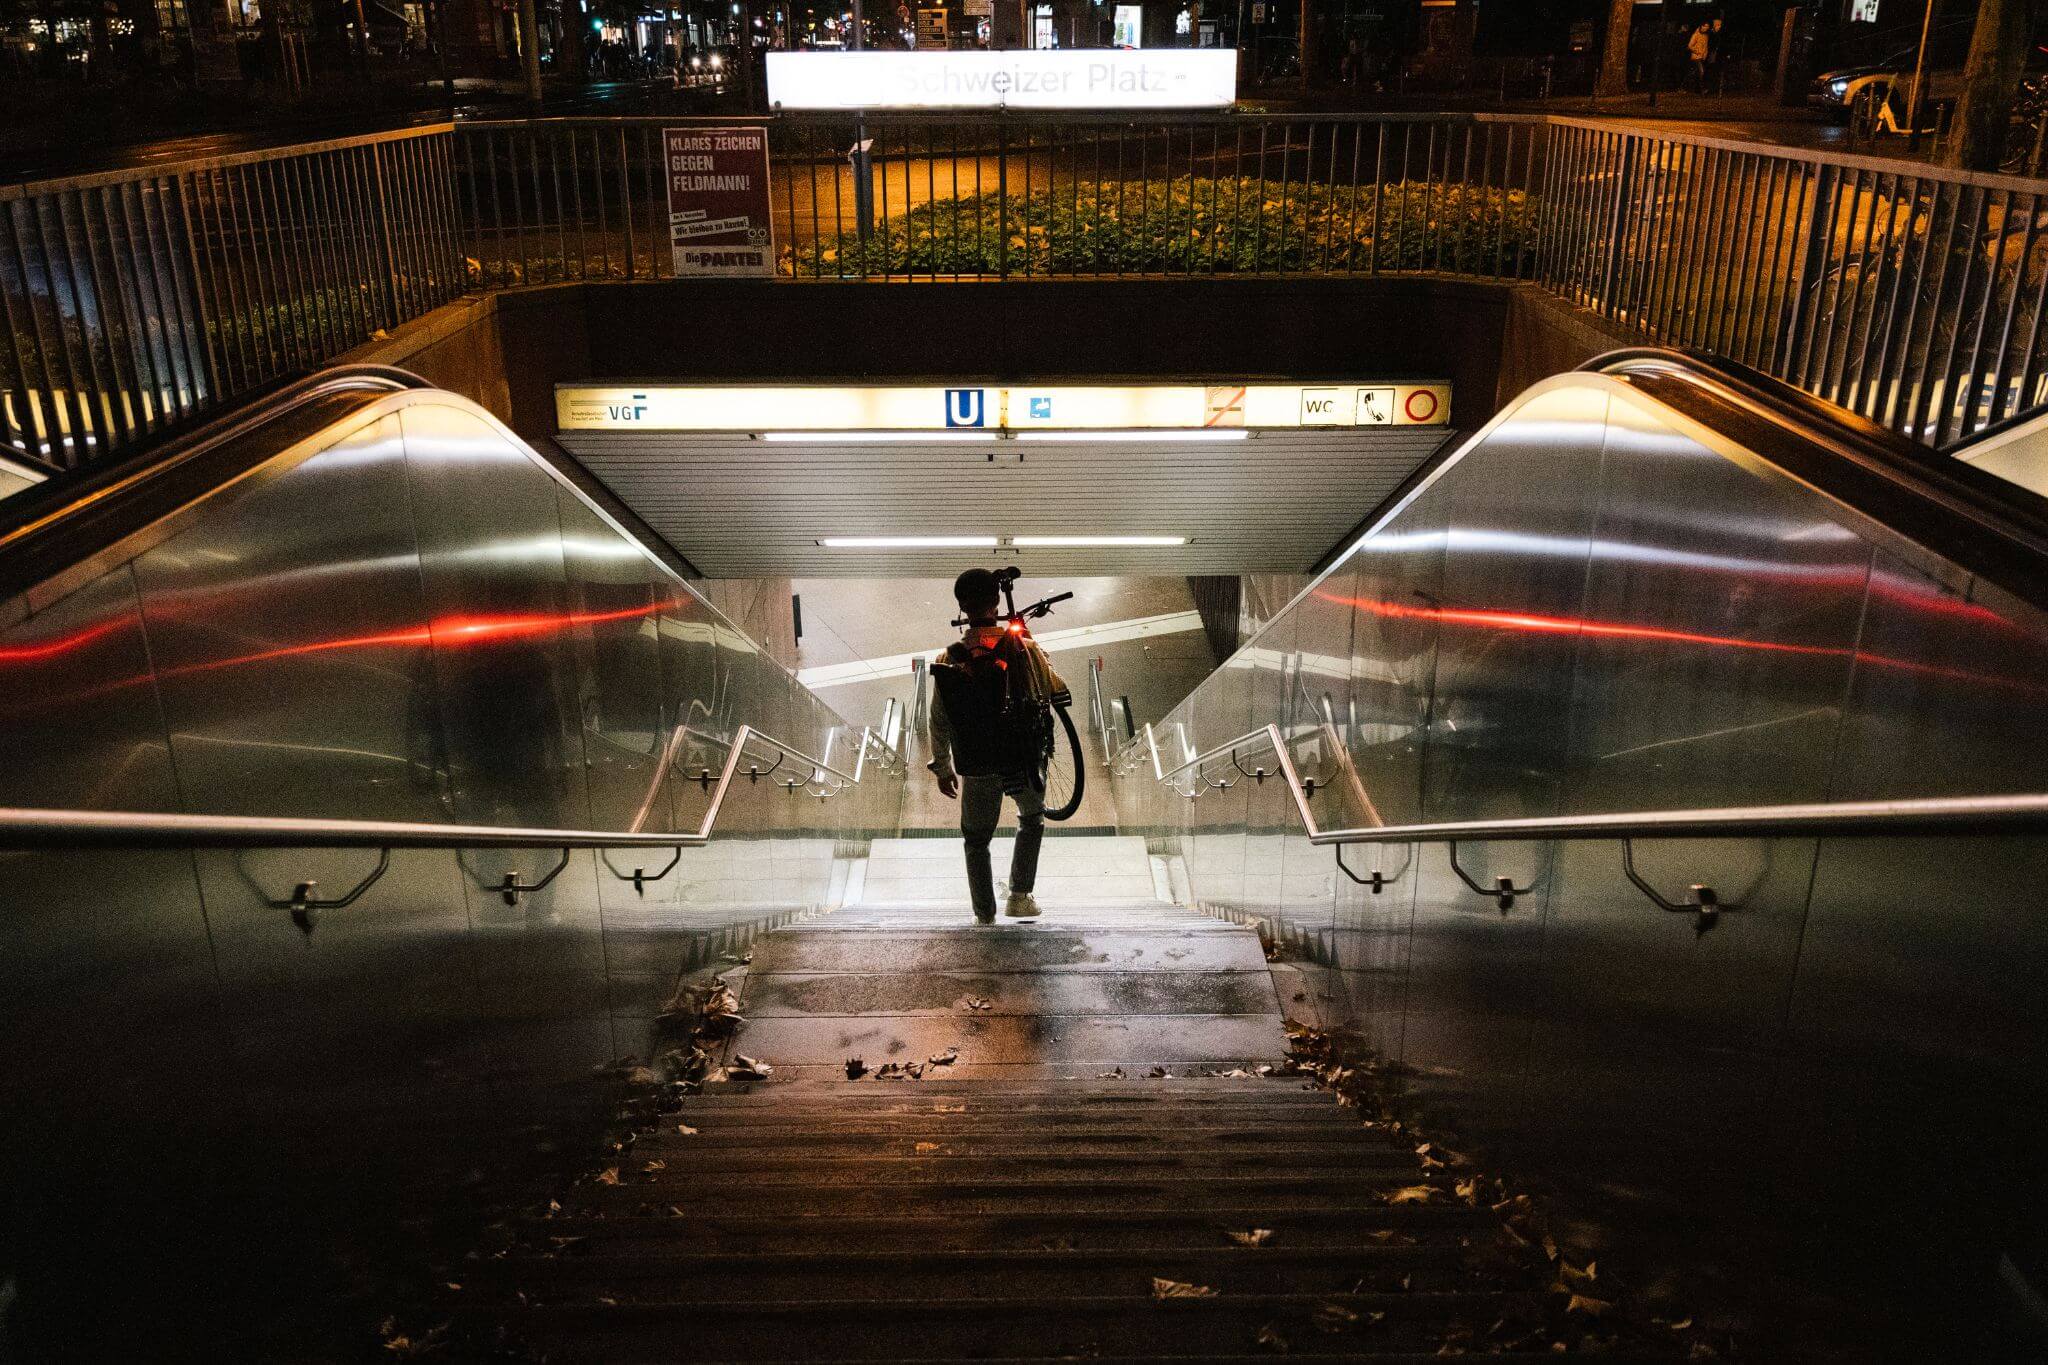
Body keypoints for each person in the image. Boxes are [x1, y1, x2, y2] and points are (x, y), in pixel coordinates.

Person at [925, 568, 1069, 924]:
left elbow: (939, 719)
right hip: (1021, 757)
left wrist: (942, 767)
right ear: (996, 604)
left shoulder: (949, 658)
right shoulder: (1024, 649)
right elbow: (1056, 688)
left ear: (962, 607)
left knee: (976, 839)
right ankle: (1019, 897)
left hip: (977, 762)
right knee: (1032, 818)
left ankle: (984, 914)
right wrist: (1036, 650)